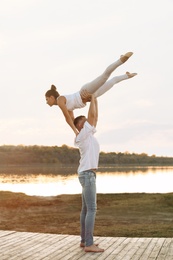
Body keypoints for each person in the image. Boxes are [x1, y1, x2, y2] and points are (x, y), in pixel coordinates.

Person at [45, 52, 137, 135]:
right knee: (112, 82)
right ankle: (127, 75)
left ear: (52, 97)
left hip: (85, 92)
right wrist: (81, 133)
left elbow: (67, 118)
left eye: (47, 99)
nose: (46, 102)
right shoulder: (67, 106)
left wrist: (76, 132)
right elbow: (72, 120)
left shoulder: (60, 100)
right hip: (91, 96)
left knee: (104, 77)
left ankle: (120, 60)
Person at [74, 93, 104, 253]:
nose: (88, 123)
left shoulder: (88, 135)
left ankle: (84, 240)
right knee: (92, 208)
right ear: (80, 126)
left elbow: (95, 117)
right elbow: (92, 116)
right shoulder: (83, 135)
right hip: (87, 175)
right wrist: (92, 100)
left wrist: (95, 100)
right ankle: (89, 244)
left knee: (86, 209)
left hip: (86, 174)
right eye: (84, 123)